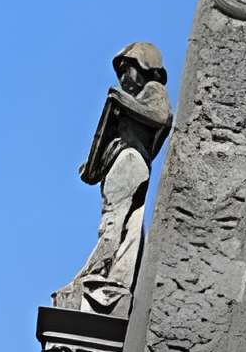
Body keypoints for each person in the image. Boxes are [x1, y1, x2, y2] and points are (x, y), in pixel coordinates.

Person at [57, 42, 173, 313]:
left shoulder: (152, 90)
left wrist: (121, 100)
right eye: (120, 72)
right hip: (125, 161)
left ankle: (94, 273)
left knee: (113, 221)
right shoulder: (139, 96)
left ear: (145, 67)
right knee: (129, 225)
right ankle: (117, 277)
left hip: (129, 161)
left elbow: (161, 116)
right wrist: (93, 166)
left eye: (128, 70)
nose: (123, 78)